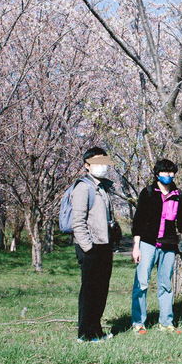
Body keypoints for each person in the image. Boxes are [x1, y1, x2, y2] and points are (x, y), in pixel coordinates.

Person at [130, 158, 182, 334]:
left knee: (166, 284)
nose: (169, 175)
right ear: (157, 173)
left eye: (171, 172)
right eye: (165, 172)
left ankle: (166, 322)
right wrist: (136, 247)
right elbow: (139, 222)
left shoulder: (178, 195)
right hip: (148, 243)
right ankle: (138, 322)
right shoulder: (148, 192)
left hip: (168, 245)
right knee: (141, 283)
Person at [72, 147, 119, 342]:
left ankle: (96, 331)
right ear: (86, 165)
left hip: (104, 245)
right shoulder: (84, 187)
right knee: (90, 291)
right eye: (96, 163)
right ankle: (85, 334)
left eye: (104, 162)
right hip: (91, 247)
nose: (102, 166)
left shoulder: (103, 188)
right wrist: (88, 247)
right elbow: (78, 221)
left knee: (101, 291)